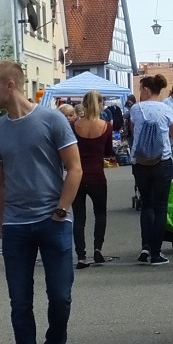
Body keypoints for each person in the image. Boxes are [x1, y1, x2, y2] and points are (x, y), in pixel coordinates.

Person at [0, 61, 82, 344]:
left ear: (9, 85)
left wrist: (61, 209)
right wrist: (1, 222)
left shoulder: (51, 119)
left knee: (60, 298)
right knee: (19, 303)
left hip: (53, 221)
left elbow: (74, 168)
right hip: (16, 225)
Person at [130, 74, 173, 266]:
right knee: (161, 206)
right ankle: (156, 252)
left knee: (147, 205)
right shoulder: (167, 109)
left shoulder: (135, 109)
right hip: (162, 162)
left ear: (145, 89)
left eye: (140, 89)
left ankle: (145, 247)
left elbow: (133, 131)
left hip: (140, 162)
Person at [71, 90, 115, 269]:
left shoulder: (74, 125)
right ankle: (98, 248)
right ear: (100, 104)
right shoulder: (106, 126)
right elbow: (108, 152)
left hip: (78, 175)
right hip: (97, 175)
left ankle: (81, 256)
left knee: (79, 218)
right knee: (100, 214)